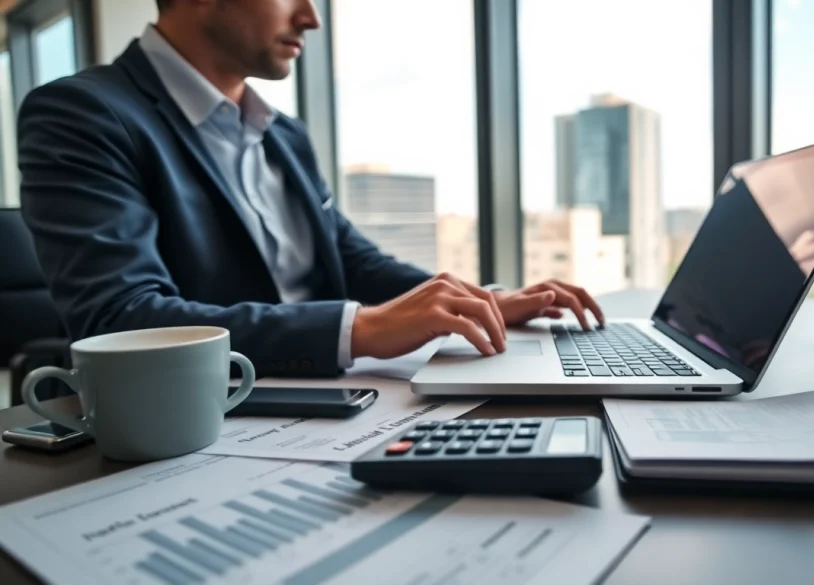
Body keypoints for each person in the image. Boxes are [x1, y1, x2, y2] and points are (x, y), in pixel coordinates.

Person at [17, 0, 605, 379]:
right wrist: (361, 329)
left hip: (337, 399)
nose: (311, 18)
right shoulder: (83, 114)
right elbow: (121, 318)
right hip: (211, 422)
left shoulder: (284, 134)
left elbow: (353, 260)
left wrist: (480, 301)